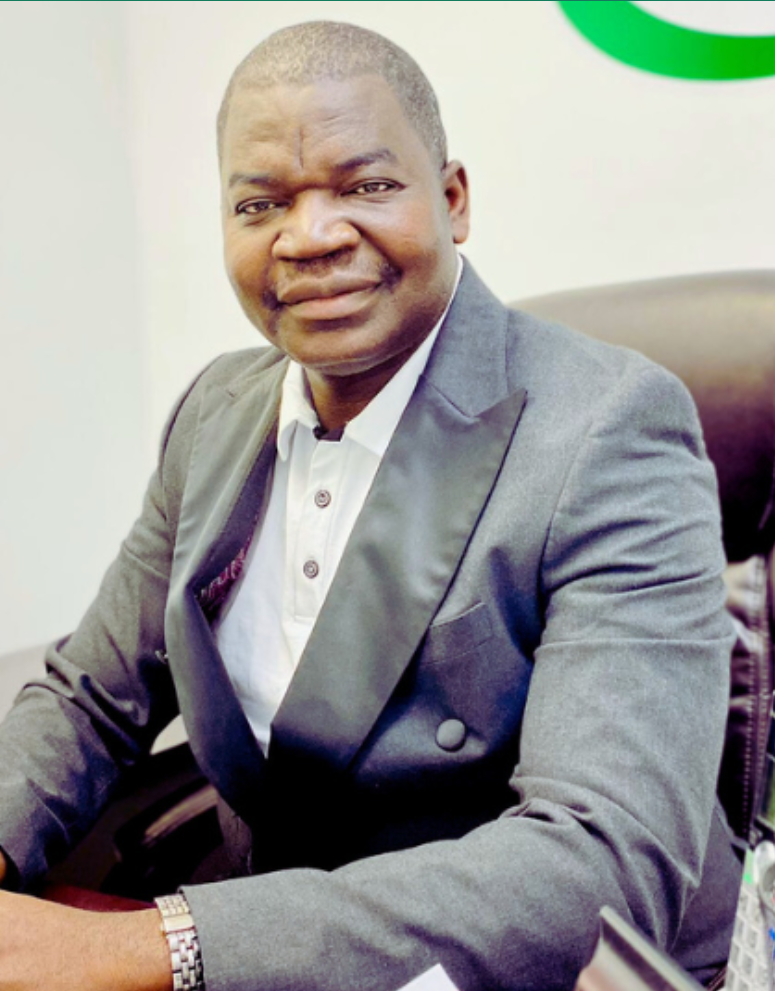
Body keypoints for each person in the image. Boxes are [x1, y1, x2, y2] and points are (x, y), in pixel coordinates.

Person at [0, 20, 741, 991]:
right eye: (261, 203)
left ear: (453, 199)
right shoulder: (216, 410)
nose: (309, 236)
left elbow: (598, 865)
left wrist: (153, 944)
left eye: (365, 186)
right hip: (280, 945)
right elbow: (93, 696)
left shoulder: (609, 428)